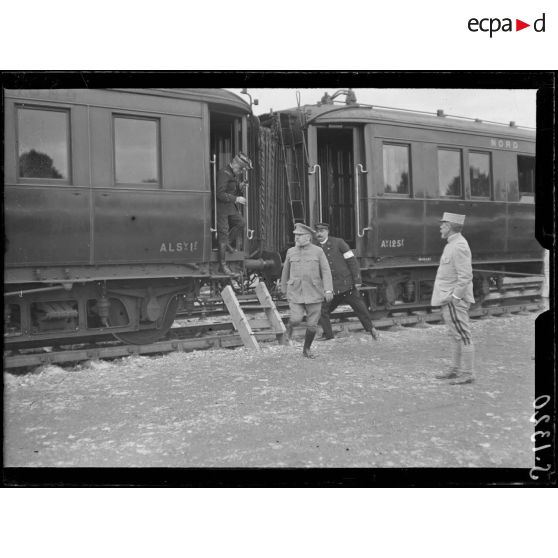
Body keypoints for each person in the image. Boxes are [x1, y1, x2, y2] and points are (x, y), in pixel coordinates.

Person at [314, 223, 379, 341]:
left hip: (346, 286)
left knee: (360, 308)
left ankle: (372, 330)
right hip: (331, 288)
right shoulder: (315, 247)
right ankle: (328, 335)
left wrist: (357, 280)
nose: (319, 233)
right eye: (317, 231)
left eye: (322, 231)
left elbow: (352, 261)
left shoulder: (339, 242)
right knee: (322, 310)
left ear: (327, 232)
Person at [431, 212, 475, 385]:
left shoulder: (459, 246)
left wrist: (455, 297)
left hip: (453, 299)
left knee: (463, 335)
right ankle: (455, 369)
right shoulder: (452, 244)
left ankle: (468, 373)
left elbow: (466, 276)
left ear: (449, 226)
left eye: (443, 224)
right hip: (448, 297)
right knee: (455, 335)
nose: (440, 227)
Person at [281, 223, 334, 358]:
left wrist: (328, 290)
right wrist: (283, 288)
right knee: (296, 318)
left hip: (314, 292)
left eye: (299, 236)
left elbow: (326, 271)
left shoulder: (318, 251)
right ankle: (290, 326)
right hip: (295, 291)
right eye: (295, 236)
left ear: (308, 237)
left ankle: (306, 349)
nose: (296, 238)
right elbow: (285, 271)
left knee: (312, 325)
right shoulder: (290, 251)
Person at [215, 152, 253, 274]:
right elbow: (220, 194)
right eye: (241, 169)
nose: (241, 172)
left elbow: (231, 189)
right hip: (222, 209)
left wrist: (240, 186)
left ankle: (226, 243)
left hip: (230, 207)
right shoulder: (224, 173)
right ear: (236, 165)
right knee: (223, 233)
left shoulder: (231, 173)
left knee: (241, 223)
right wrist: (236, 199)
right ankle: (223, 265)